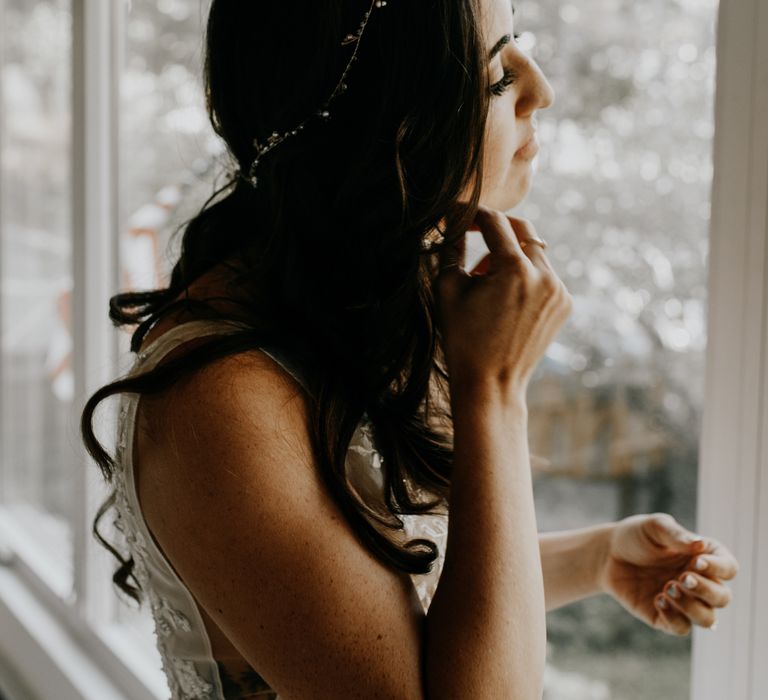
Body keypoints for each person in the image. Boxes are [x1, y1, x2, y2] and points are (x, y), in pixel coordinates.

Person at [81, 0, 739, 697]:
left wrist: (598, 556)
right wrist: (495, 394)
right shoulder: (222, 402)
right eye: (495, 76)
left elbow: (380, 607)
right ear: (389, 125)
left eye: (523, 44)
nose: (540, 88)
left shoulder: (336, 298)